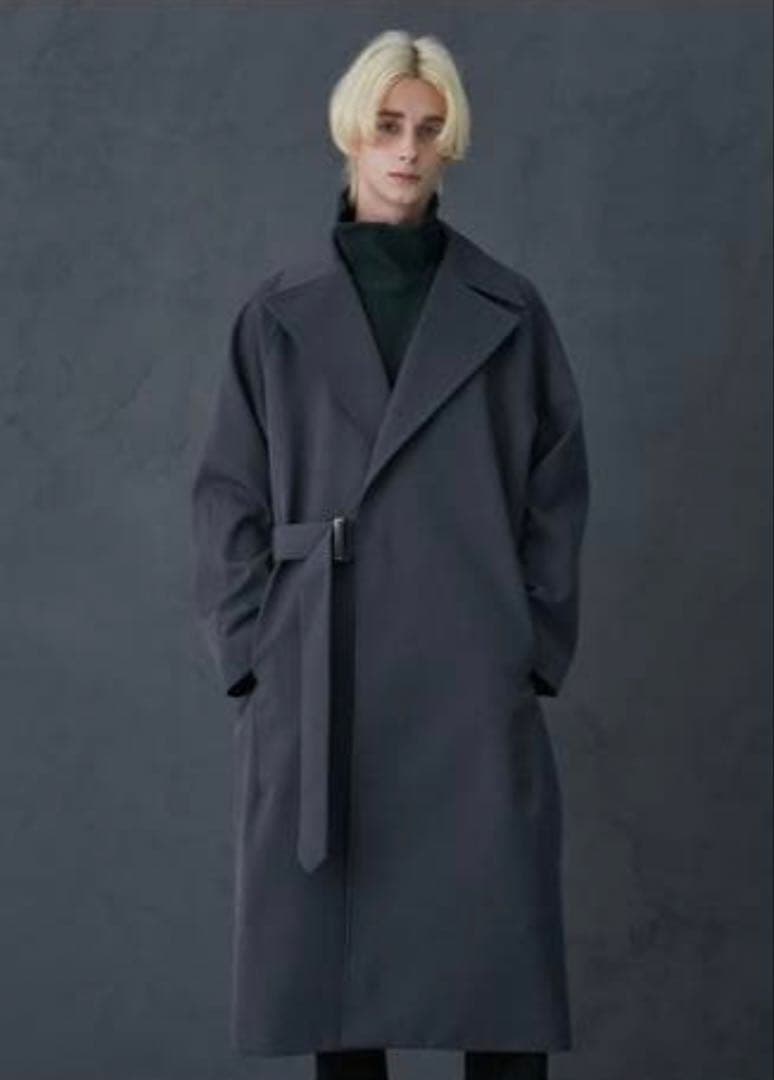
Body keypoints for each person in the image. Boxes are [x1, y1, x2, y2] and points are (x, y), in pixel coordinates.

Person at [191, 28, 589, 1080]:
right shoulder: (274, 316)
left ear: (451, 143)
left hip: (470, 681)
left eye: (429, 128)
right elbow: (227, 497)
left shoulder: (510, 312)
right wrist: (256, 655)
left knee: (496, 986)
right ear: (351, 133)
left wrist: (531, 646)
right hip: (324, 675)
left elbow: (557, 491)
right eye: (388, 125)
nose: (407, 149)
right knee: (343, 1003)